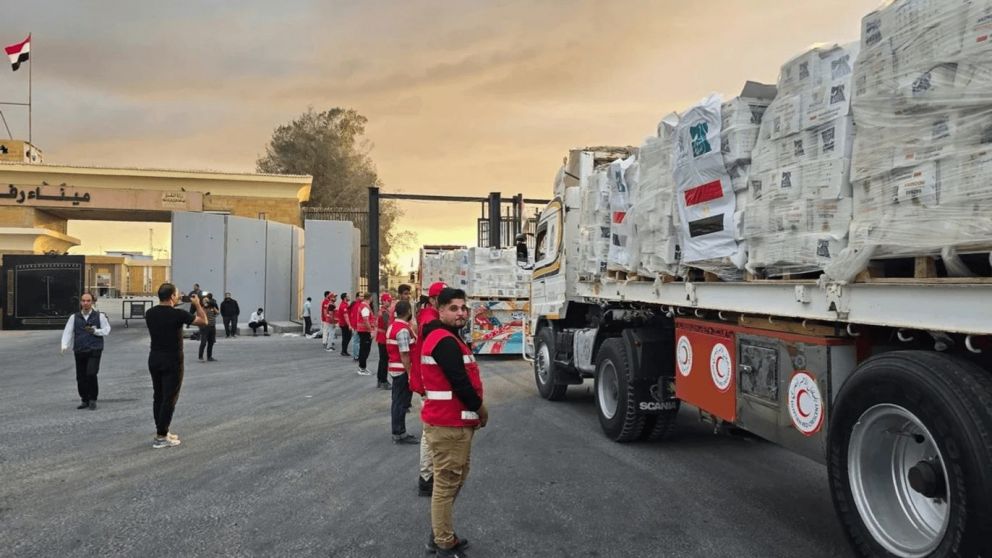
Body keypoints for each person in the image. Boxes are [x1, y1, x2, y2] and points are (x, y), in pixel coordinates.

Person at [420, 287, 487, 557]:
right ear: (440, 310)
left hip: (453, 424)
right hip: (448, 425)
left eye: (463, 308)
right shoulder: (444, 341)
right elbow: (460, 382)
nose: (461, 313)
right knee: (446, 485)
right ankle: (444, 544)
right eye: (453, 308)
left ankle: (440, 532)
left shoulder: (447, 337)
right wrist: (480, 409)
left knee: (452, 482)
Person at [144, 283, 207, 449]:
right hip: (172, 360)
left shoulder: (150, 313)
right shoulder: (178, 314)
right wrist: (197, 305)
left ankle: (162, 430)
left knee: (158, 396)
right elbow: (203, 321)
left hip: (154, 358)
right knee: (170, 398)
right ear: (172, 296)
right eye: (177, 294)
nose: (179, 296)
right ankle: (161, 437)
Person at [412, 281, 447, 497]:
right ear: (433, 300)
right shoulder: (430, 318)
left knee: (432, 430)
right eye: (442, 298)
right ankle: (426, 477)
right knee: (429, 431)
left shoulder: (430, 315)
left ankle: (429, 474)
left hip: (428, 382)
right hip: (428, 384)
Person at [60, 291, 111, 410]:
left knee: (91, 373)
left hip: (94, 349)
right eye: (83, 301)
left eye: (88, 301)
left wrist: (96, 331)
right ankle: (84, 399)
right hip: (80, 349)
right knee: (81, 376)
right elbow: (68, 331)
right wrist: (64, 345)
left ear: (92, 302)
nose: (86, 303)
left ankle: (92, 398)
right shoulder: (74, 317)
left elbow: (107, 330)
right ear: (80, 302)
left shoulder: (100, 316)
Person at [387, 300, 418, 444]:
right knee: (401, 403)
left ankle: (398, 431)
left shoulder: (393, 326)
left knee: (397, 401)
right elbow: (404, 354)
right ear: (408, 312)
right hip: (402, 370)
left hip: (395, 369)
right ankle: (399, 433)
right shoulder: (403, 330)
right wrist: (410, 373)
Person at [375, 292, 394, 389]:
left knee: (382, 360)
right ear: (383, 301)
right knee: (384, 360)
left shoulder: (382, 311)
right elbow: (388, 326)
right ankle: (383, 381)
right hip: (383, 338)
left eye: (390, 300)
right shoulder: (385, 313)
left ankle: (380, 380)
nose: (390, 302)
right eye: (388, 300)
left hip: (381, 338)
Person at [355, 292, 375, 376]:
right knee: (365, 350)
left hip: (363, 330)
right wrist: (371, 331)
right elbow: (366, 320)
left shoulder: (363, 305)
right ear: (370, 298)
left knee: (363, 349)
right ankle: (362, 368)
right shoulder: (365, 307)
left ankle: (362, 367)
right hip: (365, 331)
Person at [198, 292, 220, 362]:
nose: (206, 302)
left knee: (211, 342)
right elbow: (199, 316)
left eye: (207, 301)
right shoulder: (202, 308)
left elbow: (218, 312)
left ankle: (209, 357)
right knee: (203, 342)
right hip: (205, 327)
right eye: (204, 301)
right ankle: (200, 356)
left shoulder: (212, 307)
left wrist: (213, 306)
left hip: (212, 327)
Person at [337, 293, 352, 357]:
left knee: (347, 337)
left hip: (344, 324)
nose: (349, 297)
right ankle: (343, 351)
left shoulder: (346, 304)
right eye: (348, 296)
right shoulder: (343, 305)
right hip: (344, 324)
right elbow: (346, 316)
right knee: (346, 338)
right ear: (345, 298)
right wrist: (349, 325)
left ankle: (344, 351)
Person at [350, 291, 363, 361]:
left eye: (363, 296)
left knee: (357, 341)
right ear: (357, 297)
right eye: (361, 296)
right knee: (356, 341)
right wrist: (355, 326)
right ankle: (356, 356)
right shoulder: (357, 305)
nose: (362, 297)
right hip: (357, 326)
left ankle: (357, 355)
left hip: (357, 326)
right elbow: (355, 317)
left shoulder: (358, 304)